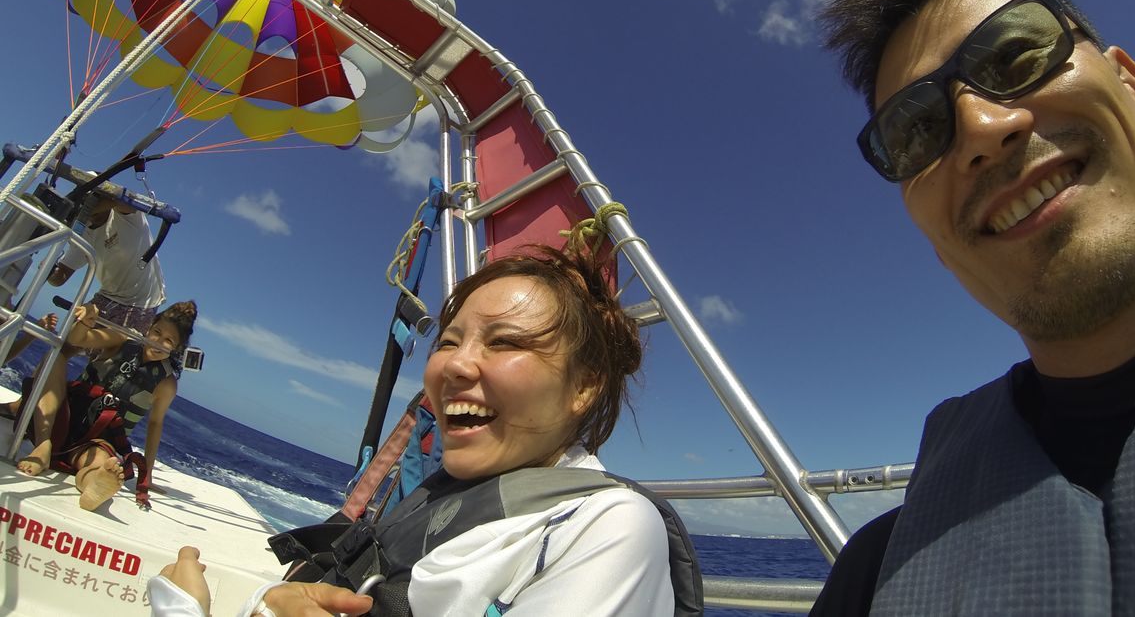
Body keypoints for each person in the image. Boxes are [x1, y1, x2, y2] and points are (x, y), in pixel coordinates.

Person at [810, 0, 1135, 615]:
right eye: (916, 132)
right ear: (936, 245)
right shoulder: (874, 575)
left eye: (1017, 54)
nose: (983, 131)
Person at [148, 247, 701, 617]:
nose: (454, 364)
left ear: (584, 385)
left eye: (505, 342)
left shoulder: (607, 528)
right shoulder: (444, 492)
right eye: (449, 341)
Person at [13, 299, 197, 511]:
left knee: (100, 462)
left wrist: (148, 474)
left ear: (177, 348)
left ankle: (94, 484)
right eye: (156, 332)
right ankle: (42, 445)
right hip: (62, 417)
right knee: (54, 357)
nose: (159, 341)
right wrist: (86, 321)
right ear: (149, 328)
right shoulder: (121, 338)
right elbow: (77, 339)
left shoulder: (166, 384)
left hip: (97, 440)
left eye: (168, 341)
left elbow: (155, 424)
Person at [48, 195, 166, 344]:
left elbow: (121, 201)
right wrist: (48, 269)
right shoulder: (84, 235)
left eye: (95, 198)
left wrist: (87, 208)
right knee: (68, 342)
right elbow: (59, 278)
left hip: (142, 303)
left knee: (113, 353)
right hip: (107, 296)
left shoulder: (128, 215)